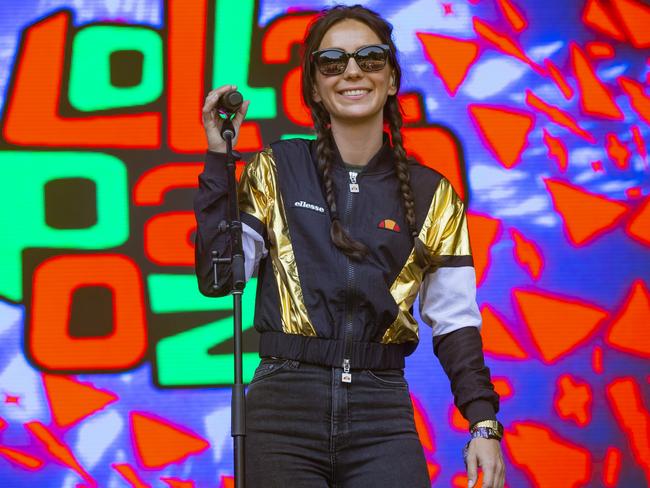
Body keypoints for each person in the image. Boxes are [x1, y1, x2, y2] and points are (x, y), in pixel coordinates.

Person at [194, 4, 505, 487]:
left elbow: (456, 321)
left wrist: (483, 423)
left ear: (393, 78)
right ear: (315, 87)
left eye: (371, 58)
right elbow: (220, 279)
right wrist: (219, 157)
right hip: (282, 408)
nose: (352, 71)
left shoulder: (433, 194)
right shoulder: (277, 169)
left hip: (382, 411)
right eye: (332, 62)